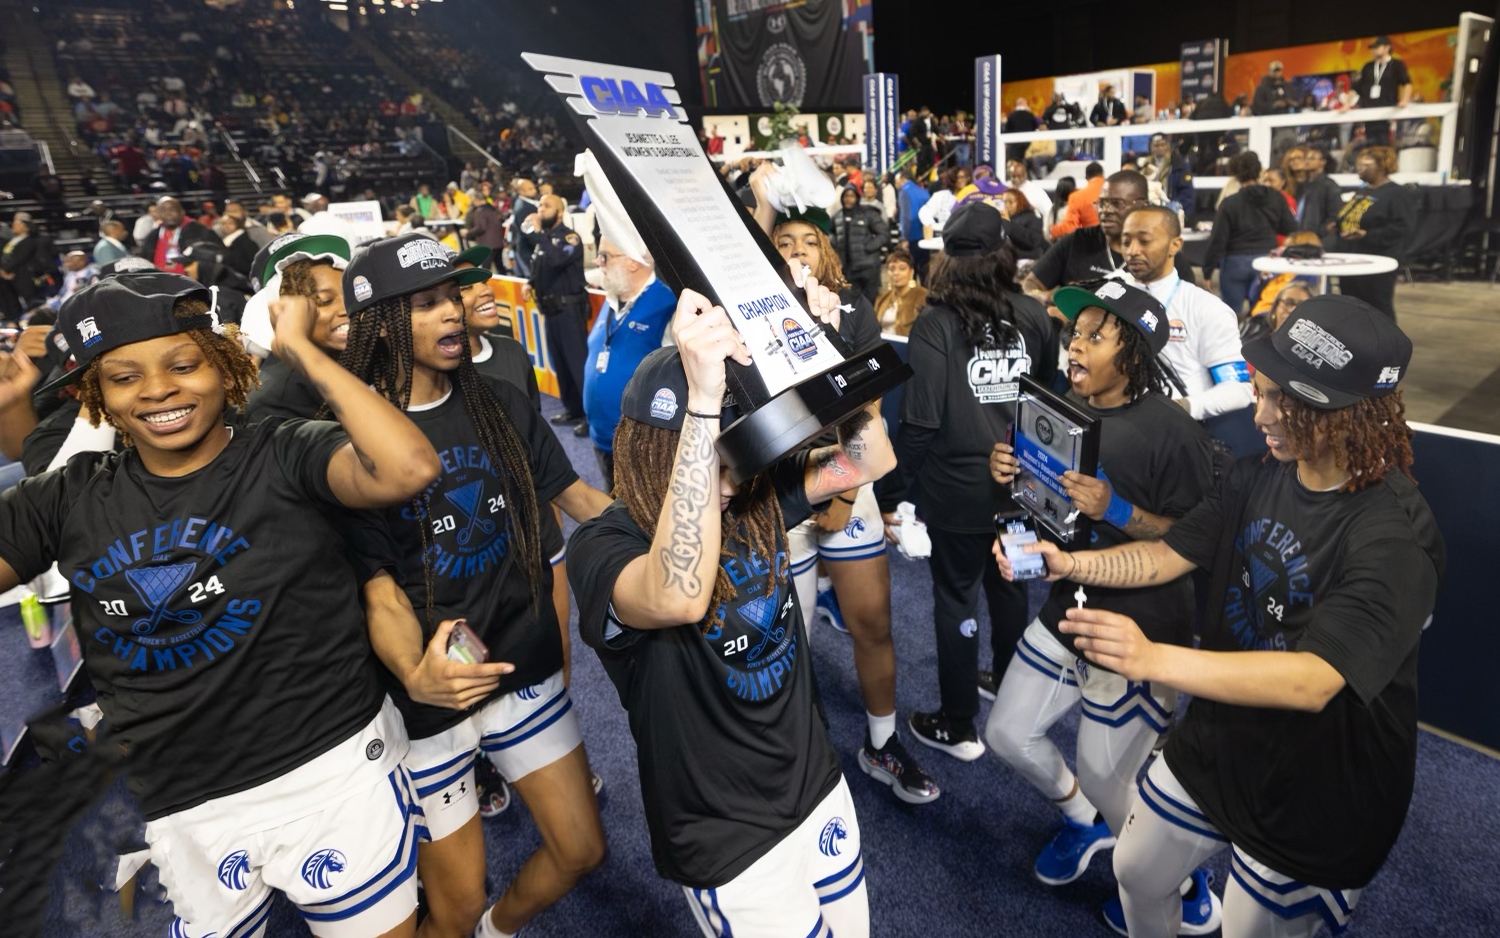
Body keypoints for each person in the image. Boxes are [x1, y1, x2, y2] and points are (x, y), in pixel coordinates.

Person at [0, 270, 444, 938]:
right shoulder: (66, 497)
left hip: (330, 771)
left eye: (184, 364)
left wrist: (306, 352)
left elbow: (408, 468)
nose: (157, 389)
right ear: (98, 394)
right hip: (185, 797)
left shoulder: (282, 450)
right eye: (124, 377)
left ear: (227, 363)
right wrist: (12, 412)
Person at [1002, 295, 1442, 938]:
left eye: (1278, 402)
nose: (1259, 415)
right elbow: (1167, 554)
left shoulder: (1395, 534)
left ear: (1346, 415)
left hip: (1318, 787)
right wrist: (1069, 567)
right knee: (1137, 869)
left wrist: (1152, 659)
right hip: (1219, 742)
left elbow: (1313, 681)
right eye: (1258, 392)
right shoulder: (1255, 475)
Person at [569, 275, 884, 937]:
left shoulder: (756, 495)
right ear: (655, 449)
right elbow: (679, 594)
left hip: (816, 785)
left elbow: (868, 455)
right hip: (728, 835)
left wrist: (822, 361)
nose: (729, 468)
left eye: (733, 448)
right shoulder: (604, 546)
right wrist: (704, 403)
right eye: (710, 450)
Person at [344, 234, 613, 938]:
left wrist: (682, 526)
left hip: (519, 667)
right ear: (382, 323)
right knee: (454, 906)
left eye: (453, 297)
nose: (453, 314)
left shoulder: (499, 400)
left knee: (582, 850)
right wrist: (415, 673)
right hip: (425, 700)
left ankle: (500, 932)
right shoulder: (350, 440)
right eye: (427, 304)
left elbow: (578, 499)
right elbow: (379, 591)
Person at [984, 277, 1220, 932]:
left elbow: (1195, 542)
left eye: (1094, 335)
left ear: (1136, 353)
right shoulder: (1063, 406)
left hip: (1140, 624)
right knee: (1006, 733)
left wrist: (1113, 507)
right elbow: (1043, 509)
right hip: (1070, 601)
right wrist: (1011, 478)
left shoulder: (1176, 434)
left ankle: (1184, 881)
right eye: (1074, 333)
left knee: (1108, 772)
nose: (1074, 347)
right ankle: (1085, 822)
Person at [878, 203, 1058, 760]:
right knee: (1011, 592)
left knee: (956, 598)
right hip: (1023, 487)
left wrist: (890, 493)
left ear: (946, 259)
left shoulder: (934, 322)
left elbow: (920, 422)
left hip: (956, 492)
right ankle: (1011, 699)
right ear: (1004, 253)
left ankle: (959, 725)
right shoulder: (1033, 314)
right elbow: (1048, 404)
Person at [1118, 206, 1255, 432]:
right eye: (1126, 242)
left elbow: (1238, 390)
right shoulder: (1111, 295)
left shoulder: (1207, 309)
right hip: (1115, 423)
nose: (1132, 251)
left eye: (1144, 241)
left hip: (1176, 433)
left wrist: (1182, 407)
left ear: (1175, 245)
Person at [1026, 171, 1196, 303]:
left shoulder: (1165, 254)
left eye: (1116, 203)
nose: (1105, 210)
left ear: (1143, 204)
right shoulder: (1077, 241)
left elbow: (1187, 308)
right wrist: (1048, 299)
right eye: (1102, 203)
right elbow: (1030, 284)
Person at [584, 238, 674, 489]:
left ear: (634, 261)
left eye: (605, 256)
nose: (597, 262)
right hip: (602, 439)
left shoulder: (668, 305)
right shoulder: (613, 300)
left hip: (640, 448)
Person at [243, 233, 353, 421]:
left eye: (351, 295)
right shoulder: (279, 401)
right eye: (324, 301)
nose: (346, 309)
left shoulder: (364, 357)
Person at [523, 194, 591, 432]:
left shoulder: (569, 238)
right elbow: (540, 264)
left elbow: (555, 260)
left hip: (569, 310)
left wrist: (540, 233)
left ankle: (589, 416)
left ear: (559, 213)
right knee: (561, 365)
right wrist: (530, 282)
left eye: (546, 205)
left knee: (577, 364)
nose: (541, 209)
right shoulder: (544, 240)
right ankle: (572, 410)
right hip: (550, 312)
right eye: (540, 205)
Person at [1203, 152, 1296, 315]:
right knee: (1263, 312)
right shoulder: (1275, 197)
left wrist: (1207, 271)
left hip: (1235, 262)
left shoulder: (1229, 203)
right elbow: (1290, 227)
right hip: (1267, 260)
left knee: (1231, 315)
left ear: (1235, 174)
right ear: (1259, 171)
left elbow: (1218, 240)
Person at [1333, 146, 1413, 320]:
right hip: (1350, 259)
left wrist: (1366, 235)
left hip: (1377, 261)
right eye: (1359, 164)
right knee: (1351, 306)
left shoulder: (1396, 193)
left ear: (1382, 166)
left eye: (1366, 164)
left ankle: (1388, 344)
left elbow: (1402, 228)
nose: (1359, 168)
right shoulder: (1363, 191)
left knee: (1377, 308)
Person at [137, 196, 222, 275]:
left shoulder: (201, 231)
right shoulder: (152, 236)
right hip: (160, 285)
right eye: (163, 210)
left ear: (182, 212)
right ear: (158, 214)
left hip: (194, 286)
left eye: (172, 209)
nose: (168, 213)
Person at [831, 185, 887, 302]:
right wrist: (834, 242)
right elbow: (828, 232)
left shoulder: (868, 214)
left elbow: (883, 234)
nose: (848, 199)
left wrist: (868, 247)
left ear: (857, 197)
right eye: (846, 196)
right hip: (848, 269)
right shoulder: (837, 216)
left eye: (851, 196)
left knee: (870, 302)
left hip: (868, 268)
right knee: (852, 303)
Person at [1355, 36, 1412, 145]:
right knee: (1371, 143)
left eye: (1377, 47)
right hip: (1369, 113)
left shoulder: (1396, 64)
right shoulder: (1368, 67)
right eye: (1373, 48)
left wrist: (1405, 100)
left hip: (1388, 112)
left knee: (1384, 142)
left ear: (1387, 48)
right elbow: (1356, 88)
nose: (1374, 50)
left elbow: (1406, 83)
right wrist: (1348, 104)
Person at [873, 249, 926, 335]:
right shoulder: (882, 298)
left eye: (902, 268)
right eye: (892, 269)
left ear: (911, 272)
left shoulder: (922, 296)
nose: (896, 273)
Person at [1293, 147, 1342, 236]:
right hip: (1299, 235)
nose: (1307, 161)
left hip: (1319, 238)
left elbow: (1335, 215)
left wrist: (1321, 231)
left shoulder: (1329, 185)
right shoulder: (1302, 186)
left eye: (1312, 158)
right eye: (1306, 158)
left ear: (1322, 162)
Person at [0, 212, 42, 318]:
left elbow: (19, 258)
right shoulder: (12, 241)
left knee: (30, 299)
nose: (13, 226)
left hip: (22, 275)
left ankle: (36, 319)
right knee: (10, 300)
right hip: (8, 275)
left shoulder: (29, 241)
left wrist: (5, 270)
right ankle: (14, 320)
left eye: (17, 224)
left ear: (26, 227)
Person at [1050, 163, 1105, 239]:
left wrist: (1052, 230)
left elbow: (1070, 227)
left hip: (1093, 242)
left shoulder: (1076, 197)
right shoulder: (1118, 191)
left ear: (1086, 177)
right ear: (1102, 174)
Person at [1142, 134, 1195, 209]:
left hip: (1171, 206)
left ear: (1168, 146)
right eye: (1156, 145)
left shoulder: (1179, 164)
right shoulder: (1144, 164)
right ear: (1150, 147)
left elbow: (1187, 194)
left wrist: (1173, 206)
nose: (1160, 148)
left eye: (1163, 145)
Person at [896, 170, 932, 275]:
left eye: (896, 181)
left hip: (912, 237)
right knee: (925, 271)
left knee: (911, 272)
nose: (896, 185)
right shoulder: (924, 191)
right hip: (925, 236)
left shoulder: (904, 192)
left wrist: (905, 238)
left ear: (903, 179)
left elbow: (907, 217)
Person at [1005, 160, 1054, 227]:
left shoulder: (1035, 190)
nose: (1016, 179)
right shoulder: (1006, 187)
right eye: (1014, 176)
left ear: (1025, 174)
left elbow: (1048, 210)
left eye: (1019, 176)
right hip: (1009, 222)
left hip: (1029, 224)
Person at [1002, 190, 1046, 261]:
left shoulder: (1032, 218)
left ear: (1020, 202)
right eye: (1004, 202)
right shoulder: (1007, 218)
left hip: (1027, 259)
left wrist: (1009, 224)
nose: (1007, 206)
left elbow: (1032, 241)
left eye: (1010, 202)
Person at [1004, 98, 1040, 163]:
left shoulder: (1011, 116)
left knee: (1015, 161)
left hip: (1015, 145)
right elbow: (1035, 127)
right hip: (1028, 144)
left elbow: (1007, 130)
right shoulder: (1030, 115)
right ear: (1024, 104)